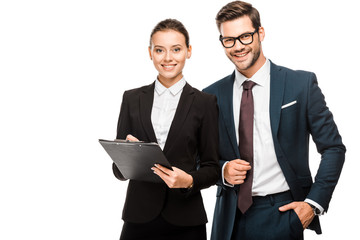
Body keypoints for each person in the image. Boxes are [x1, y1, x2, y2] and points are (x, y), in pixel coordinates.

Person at [203, 1, 346, 240]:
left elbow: (333, 148)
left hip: (282, 213)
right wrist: (223, 170)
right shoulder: (210, 96)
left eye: (245, 37)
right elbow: (197, 159)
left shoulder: (300, 85)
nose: (238, 47)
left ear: (260, 33)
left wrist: (312, 204)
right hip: (228, 219)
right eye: (229, 40)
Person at [112, 18, 220, 240]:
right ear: (150, 53)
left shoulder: (205, 102)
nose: (168, 58)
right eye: (160, 50)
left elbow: (212, 167)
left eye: (176, 49)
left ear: (188, 51)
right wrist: (127, 157)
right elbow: (117, 169)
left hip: (186, 219)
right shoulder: (132, 98)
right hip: (138, 216)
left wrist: (188, 180)